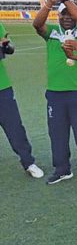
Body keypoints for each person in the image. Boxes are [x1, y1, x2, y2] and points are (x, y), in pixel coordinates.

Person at [33, 0, 77, 185]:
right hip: (55, 92)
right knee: (57, 134)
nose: (68, 18)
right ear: (58, 17)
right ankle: (62, 169)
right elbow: (37, 25)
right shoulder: (52, 33)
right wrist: (51, 2)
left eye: (70, 15)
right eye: (63, 14)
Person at [0, 21, 44, 178]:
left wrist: (5, 46)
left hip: (2, 87)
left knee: (14, 127)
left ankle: (28, 162)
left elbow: (9, 49)